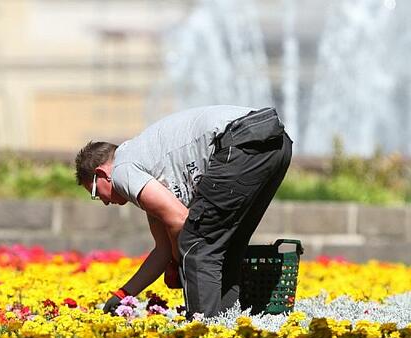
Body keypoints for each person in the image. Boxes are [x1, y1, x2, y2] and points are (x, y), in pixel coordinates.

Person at [75, 105, 292, 318]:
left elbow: (180, 221)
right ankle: (228, 327)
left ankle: (203, 334)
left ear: (102, 173)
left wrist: (181, 262)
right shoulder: (147, 170)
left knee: (197, 243)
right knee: (226, 245)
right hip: (274, 141)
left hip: (242, 140)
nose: (102, 201)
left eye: (95, 192)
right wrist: (123, 294)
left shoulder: (123, 170)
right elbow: (163, 250)